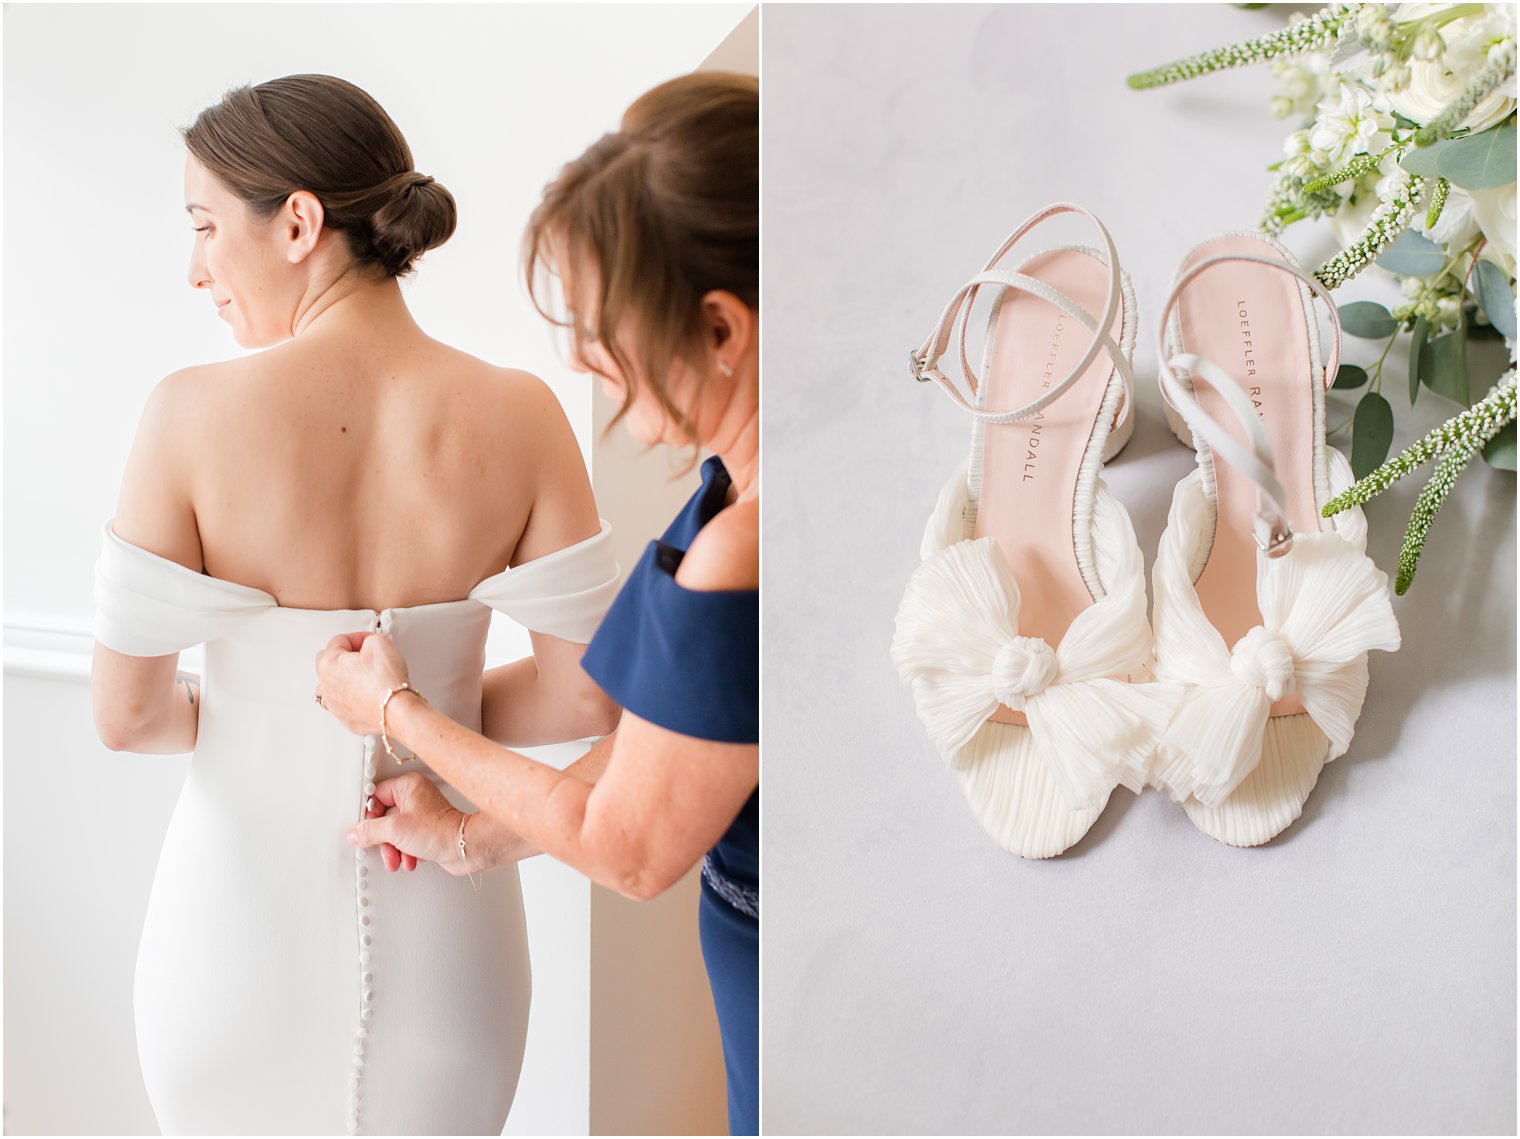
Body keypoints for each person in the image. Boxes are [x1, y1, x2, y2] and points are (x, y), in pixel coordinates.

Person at [90, 73, 620, 1135]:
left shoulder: (187, 416)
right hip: (448, 926)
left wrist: (271, 711)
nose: (197, 269)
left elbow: (129, 715)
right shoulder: (519, 415)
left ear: (295, 223)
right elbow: (583, 700)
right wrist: (427, 711)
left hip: (228, 935)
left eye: (204, 226)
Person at [314, 71, 760, 1134]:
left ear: (719, 327)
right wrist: (469, 833)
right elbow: (685, 746)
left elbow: (631, 844)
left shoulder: (742, 548)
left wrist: (398, 713)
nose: (579, 355)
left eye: (605, 322)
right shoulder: (750, 484)